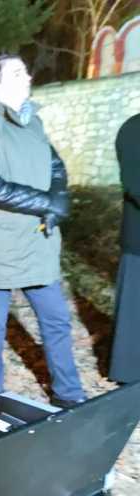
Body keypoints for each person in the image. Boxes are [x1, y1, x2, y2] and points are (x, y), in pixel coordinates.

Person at [0, 54, 85, 413]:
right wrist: (46, 201)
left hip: (36, 238)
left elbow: (55, 164)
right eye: (17, 73)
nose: (28, 77)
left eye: (26, 71)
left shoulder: (34, 122)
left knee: (56, 319)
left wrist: (57, 198)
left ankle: (68, 393)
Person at [109, 113, 140, 384]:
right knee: (135, 314)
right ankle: (130, 379)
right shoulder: (133, 129)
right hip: (139, 242)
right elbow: (135, 182)